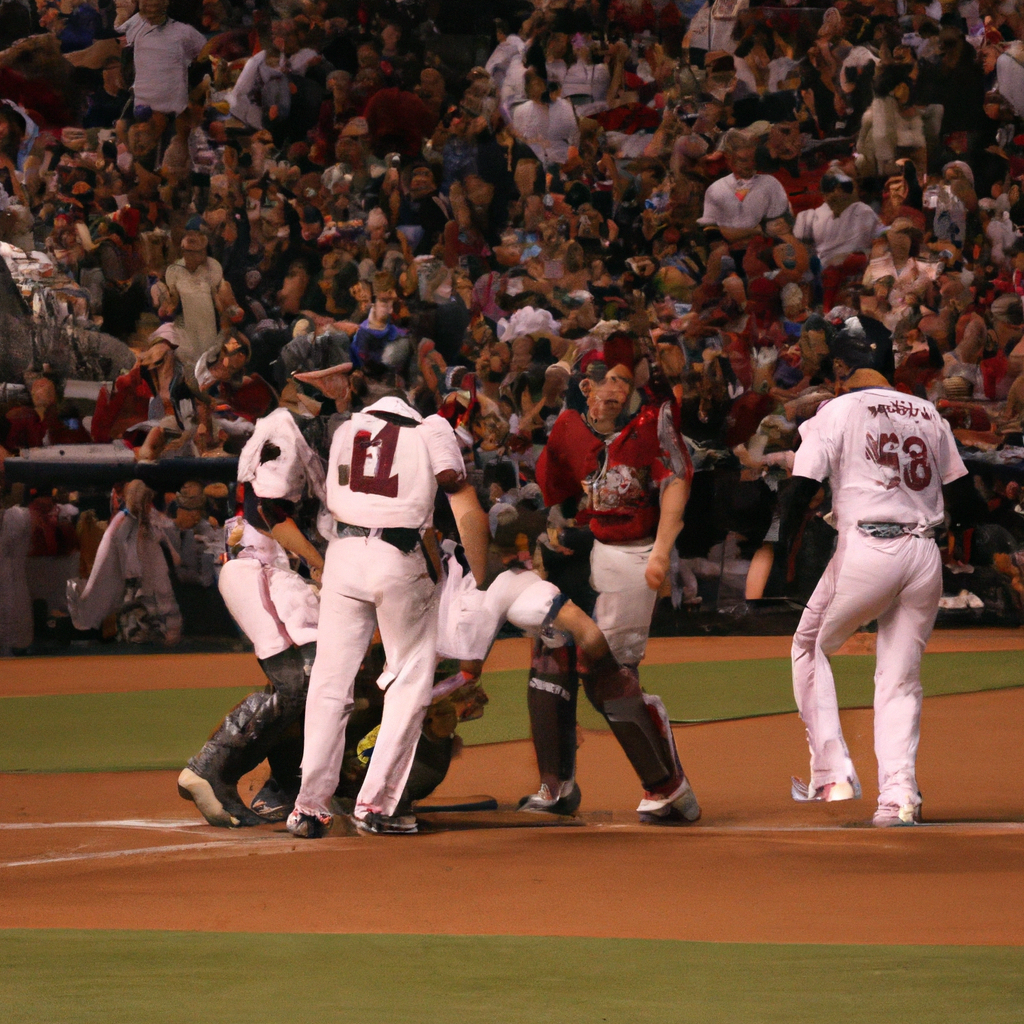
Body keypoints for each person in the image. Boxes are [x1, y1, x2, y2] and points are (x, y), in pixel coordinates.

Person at [780, 318, 968, 827]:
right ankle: (899, 797)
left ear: (842, 366)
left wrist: (780, 556)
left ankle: (833, 772)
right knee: (900, 679)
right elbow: (964, 498)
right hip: (924, 556)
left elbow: (801, 488)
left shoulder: (836, 409)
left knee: (809, 645)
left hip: (867, 549)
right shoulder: (929, 413)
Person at [286, 390, 489, 838]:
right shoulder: (430, 427)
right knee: (410, 679)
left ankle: (308, 807)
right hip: (396, 554)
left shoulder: (345, 430)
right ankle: (377, 805)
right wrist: (481, 573)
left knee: (329, 682)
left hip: (341, 553)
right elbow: (460, 491)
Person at [523, 332, 701, 823]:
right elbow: (554, 491)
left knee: (606, 673)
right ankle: (554, 785)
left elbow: (675, 484)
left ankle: (670, 789)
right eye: (613, 380)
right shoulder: (566, 429)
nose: (622, 390)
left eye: (628, 381)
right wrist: (551, 533)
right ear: (588, 386)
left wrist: (662, 554)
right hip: (579, 553)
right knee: (550, 657)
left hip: (631, 553)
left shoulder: (652, 426)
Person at [178, 408, 325, 827]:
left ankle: (284, 783)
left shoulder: (302, 444)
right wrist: (320, 563)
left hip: (275, 574)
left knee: (311, 684)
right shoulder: (284, 433)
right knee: (303, 678)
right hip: (261, 569)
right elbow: (265, 511)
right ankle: (212, 769)